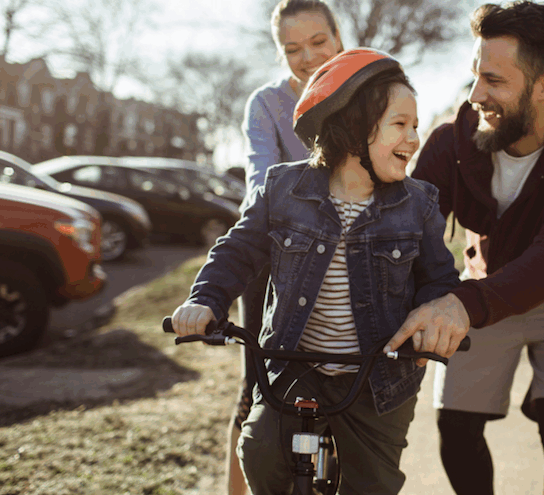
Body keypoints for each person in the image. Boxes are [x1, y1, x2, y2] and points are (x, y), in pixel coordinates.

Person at [170, 48, 460, 495]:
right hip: (293, 363)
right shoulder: (283, 189)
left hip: (377, 376)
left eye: (415, 125)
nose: (414, 138)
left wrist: (436, 318)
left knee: (373, 485)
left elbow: (438, 280)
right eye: (400, 124)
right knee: (259, 452)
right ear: (354, 127)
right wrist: (205, 299)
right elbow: (238, 250)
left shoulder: (417, 204)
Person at [384, 0, 544, 495]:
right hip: (486, 288)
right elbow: (402, 230)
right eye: (475, 75)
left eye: (494, 80)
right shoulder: (452, 144)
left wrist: (458, 305)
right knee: (455, 424)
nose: (476, 94)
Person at [229, 0, 344, 493]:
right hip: (275, 253)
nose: (308, 56)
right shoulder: (268, 104)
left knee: (346, 388)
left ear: (339, 38)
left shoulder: (373, 92)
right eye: (292, 47)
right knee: (256, 390)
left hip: (350, 257)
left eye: (318, 41)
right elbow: (262, 179)